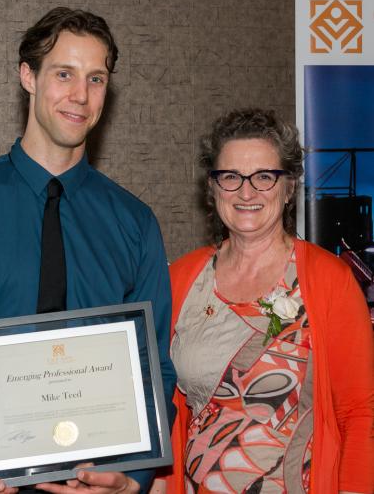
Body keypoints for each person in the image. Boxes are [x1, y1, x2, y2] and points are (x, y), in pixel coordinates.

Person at [0, 7, 176, 494]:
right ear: (27, 76)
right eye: (64, 74)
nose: (80, 96)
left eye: (96, 78)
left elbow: (156, 363)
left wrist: (133, 478)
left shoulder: (135, 223)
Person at [159, 108, 374, 493]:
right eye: (230, 177)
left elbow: (361, 413)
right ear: (212, 187)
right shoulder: (181, 280)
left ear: (289, 187)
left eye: (264, 177)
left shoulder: (330, 281)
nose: (246, 192)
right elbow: (163, 406)